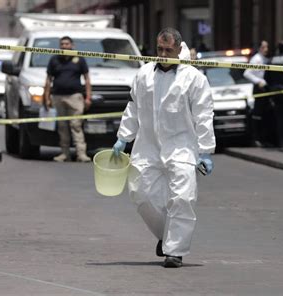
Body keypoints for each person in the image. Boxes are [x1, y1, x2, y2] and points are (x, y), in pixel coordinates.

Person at [113, 28, 216, 268]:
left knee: (182, 198)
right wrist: (123, 137)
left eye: (168, 50)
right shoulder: (144, 74)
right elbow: (133, 107)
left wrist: (205, 151)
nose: (163, 54)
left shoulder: (194, 78)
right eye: (159, 49)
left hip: (182, 147)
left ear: (179, 50)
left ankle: (175, 251)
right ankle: (166, 236)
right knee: (141, 194)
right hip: (147, 146)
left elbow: (203, 115)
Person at [43, 36, 92, 162]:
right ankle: (65, 153)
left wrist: (88, 97)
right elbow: (48, 80)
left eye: (67, 44)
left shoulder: (79, 59)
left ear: (72, 45)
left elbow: (87, 79)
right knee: (62, 127)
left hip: (75, 97)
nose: (64, 46)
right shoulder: (54, 59)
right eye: (62, 44)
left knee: (76, 125)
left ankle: (81, 154)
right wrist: (46, 97)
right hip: (58, 97)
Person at [243, 40, 275, 147]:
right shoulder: (256, 59)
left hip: (265, 88)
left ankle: (265, 138)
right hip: (259, 89)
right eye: (264, 47)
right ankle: (257, 138)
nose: (266, 49)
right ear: (259, 48)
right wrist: (258, 81)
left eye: (267, 47)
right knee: (258, 115)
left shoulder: (265, 59)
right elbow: (247, 73)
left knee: (266, 114)